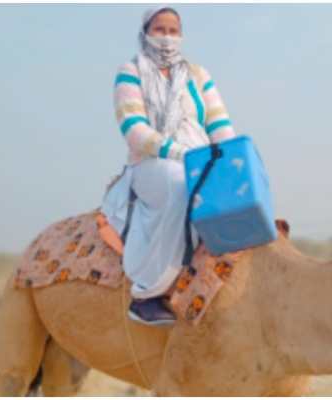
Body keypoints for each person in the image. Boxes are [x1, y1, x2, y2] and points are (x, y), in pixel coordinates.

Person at [101, 6, 236, 326]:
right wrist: (178, 153)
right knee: (180, 185)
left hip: (200, 160)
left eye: (173, 30)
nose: (167, 37)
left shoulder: (198, 75)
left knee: (243, 189)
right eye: (160, 29)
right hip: (153, 164)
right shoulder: (131, 71)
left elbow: (219, 124)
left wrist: (231, 156)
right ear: (146, 31)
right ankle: (146, 295)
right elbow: (135, 130)